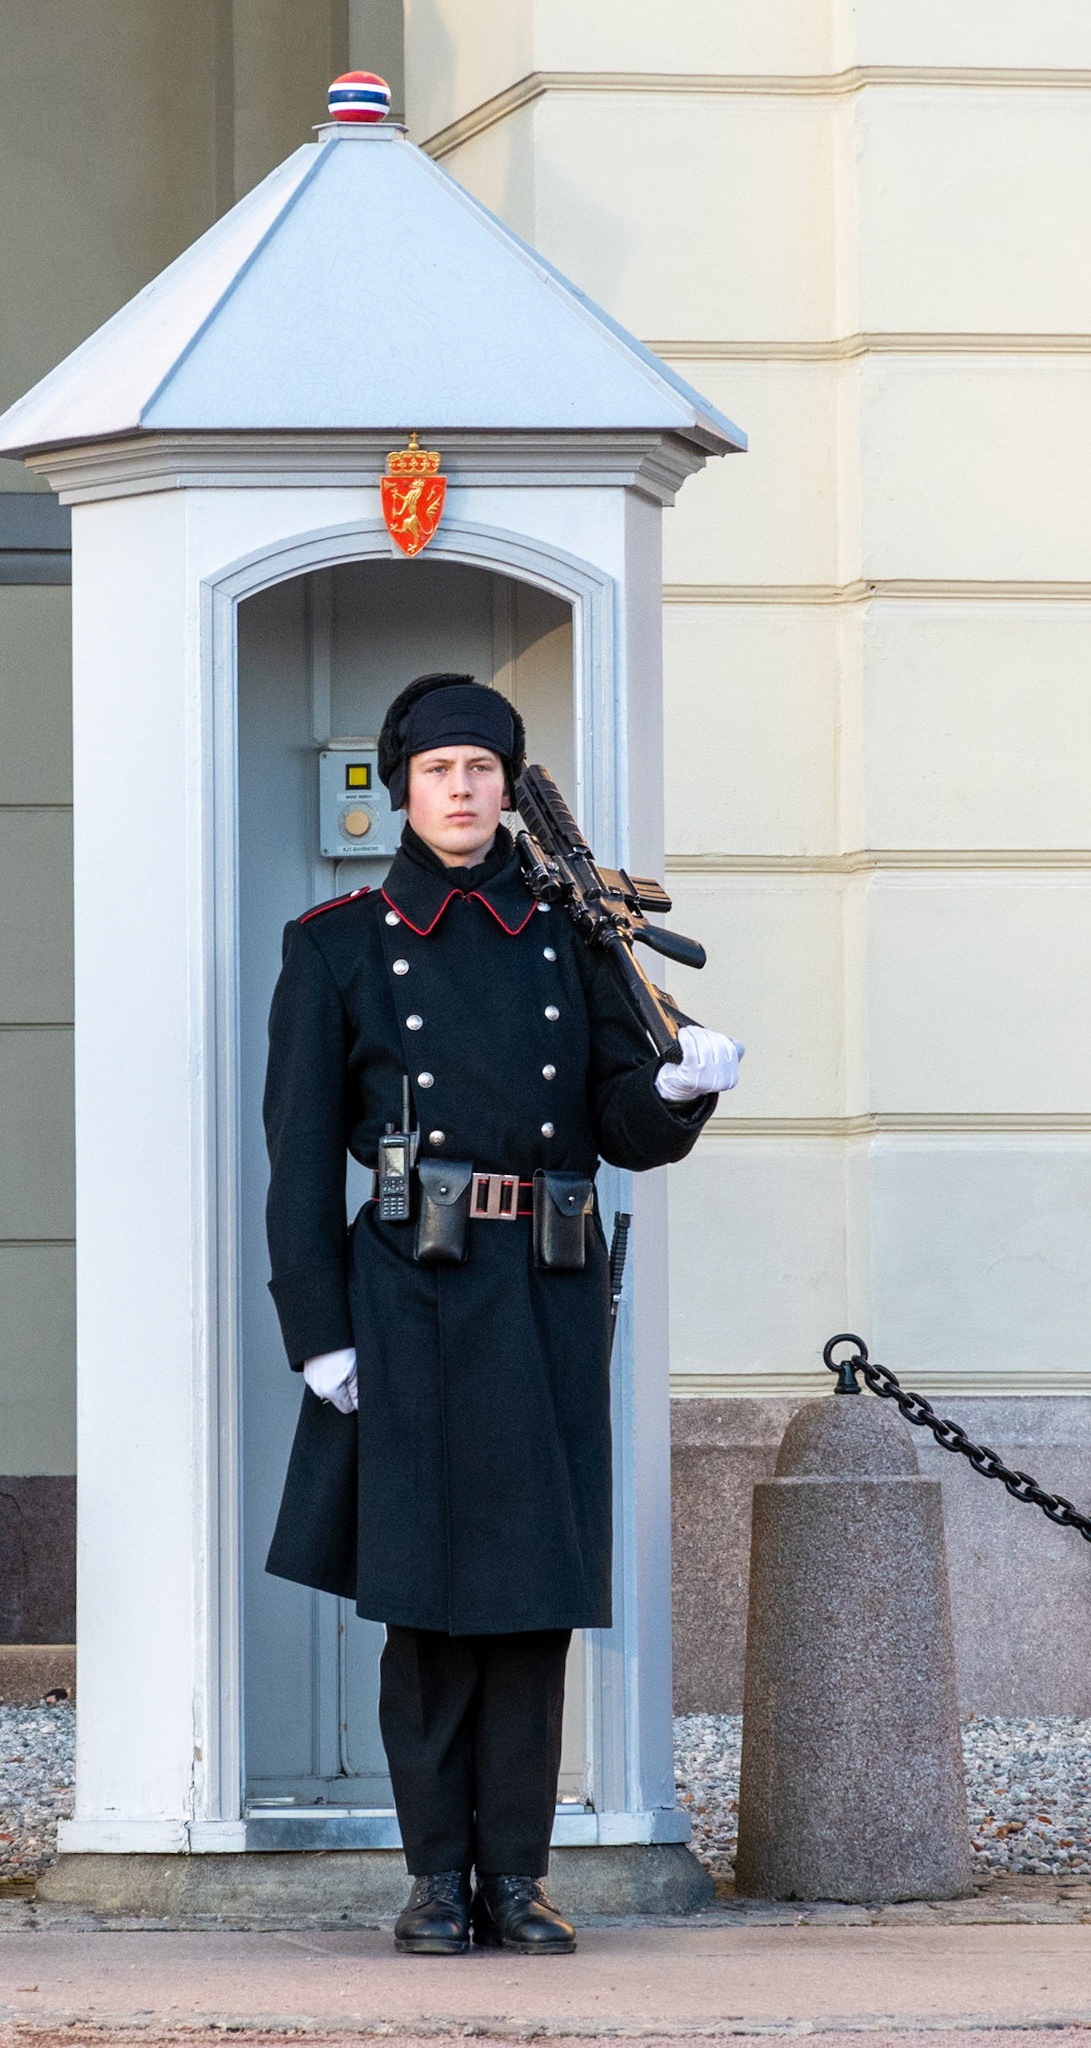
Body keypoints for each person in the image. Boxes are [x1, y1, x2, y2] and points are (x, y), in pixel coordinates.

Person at [262, 673, 742, 1955]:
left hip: (542, 1287)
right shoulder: (339, 942)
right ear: (399, 788)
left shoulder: (571, 936)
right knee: (423, 1601)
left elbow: (619, 1120)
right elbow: (300, 1158)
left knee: (532, 1595)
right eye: (437, 770)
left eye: (482, 768)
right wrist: (320, 1329)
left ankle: (516, 1876)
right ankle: (434, 1879)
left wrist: (685, 1089)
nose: (462, 790)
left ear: (508, 785)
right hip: (408, 1295)